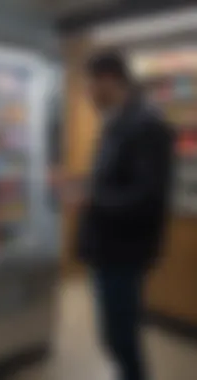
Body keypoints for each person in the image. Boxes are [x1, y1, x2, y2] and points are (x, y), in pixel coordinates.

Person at [77, 51, 174, 380]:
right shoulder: (117, 121)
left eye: (89, 84)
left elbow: (146, 199)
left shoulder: (147, 125)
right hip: (106, 248)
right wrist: (83, 187)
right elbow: (113, 179)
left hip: (124, 252)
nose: (87, 93)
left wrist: (90, 199)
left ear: (108, 79)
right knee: (113, 336)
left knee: (121, 338)